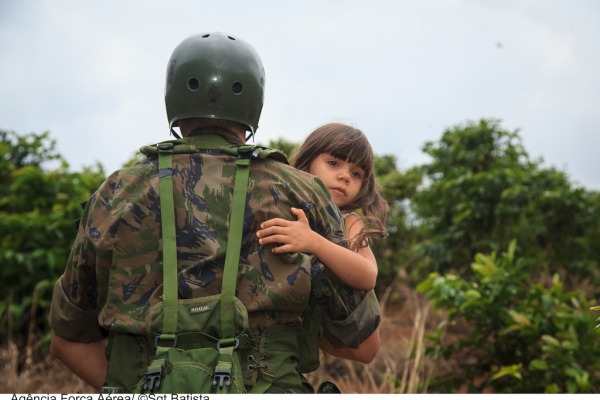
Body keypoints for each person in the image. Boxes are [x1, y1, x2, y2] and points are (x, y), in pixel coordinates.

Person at [48, 32, 381, 393]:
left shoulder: (114, 192)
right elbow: (362, 343)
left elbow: (67, 340)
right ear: (255, 102)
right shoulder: (303, 192)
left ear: (172, 97)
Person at [257, 122, 387, 360]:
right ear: (307, 162)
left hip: (346, 334)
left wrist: (313, 242)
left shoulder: (349, 222)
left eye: (356, 173)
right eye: (334, 163)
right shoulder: (282, 208)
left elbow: (368, 275)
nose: (344, 176)